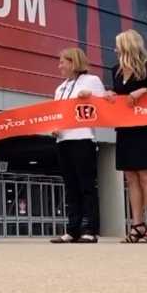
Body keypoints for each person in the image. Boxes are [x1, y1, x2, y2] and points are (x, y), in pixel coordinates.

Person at [105, 31, 147, 243]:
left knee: (145, 175)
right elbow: (119, 96)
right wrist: (111, 95)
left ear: (127, 46)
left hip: (145, 127)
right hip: (124, 128)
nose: (114, 49)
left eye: (117, 45)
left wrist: (143, 90)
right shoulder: (115, 71)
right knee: (130, 177)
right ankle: (137, 224)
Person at [50, 48, 105, 244]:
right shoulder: (60, 89)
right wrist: (54, 127)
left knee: (86, 186)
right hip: (63, 141)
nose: (60, 66)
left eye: (62, 62)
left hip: (83, 138)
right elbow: (57, 113)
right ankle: (72, 229)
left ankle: (89, 228)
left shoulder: (92, 81)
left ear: (73, 63)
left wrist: (89, 96)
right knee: (70, 187)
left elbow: (104, 104)